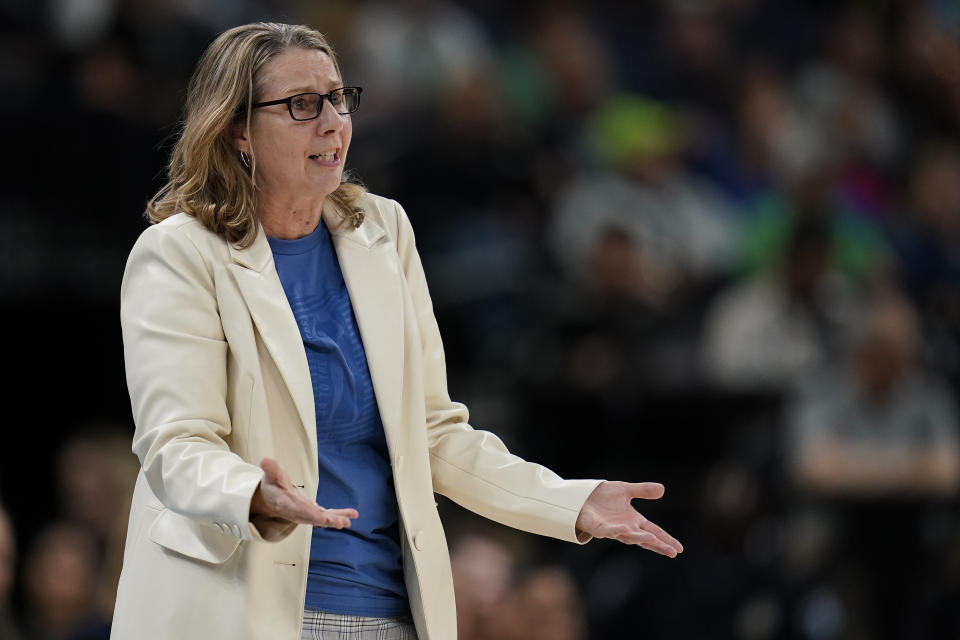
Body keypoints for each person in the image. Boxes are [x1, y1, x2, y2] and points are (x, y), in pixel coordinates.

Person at [111, 22, 683, 640]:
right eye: (302, 105)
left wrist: (570, 502)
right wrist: (252, 493)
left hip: (394, 612)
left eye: (338, 98)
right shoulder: (178, 254)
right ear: (238, 130)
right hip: (244, 607)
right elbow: (176, 444)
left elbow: (433, 432)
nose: (332, 122)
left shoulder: (382, 232)